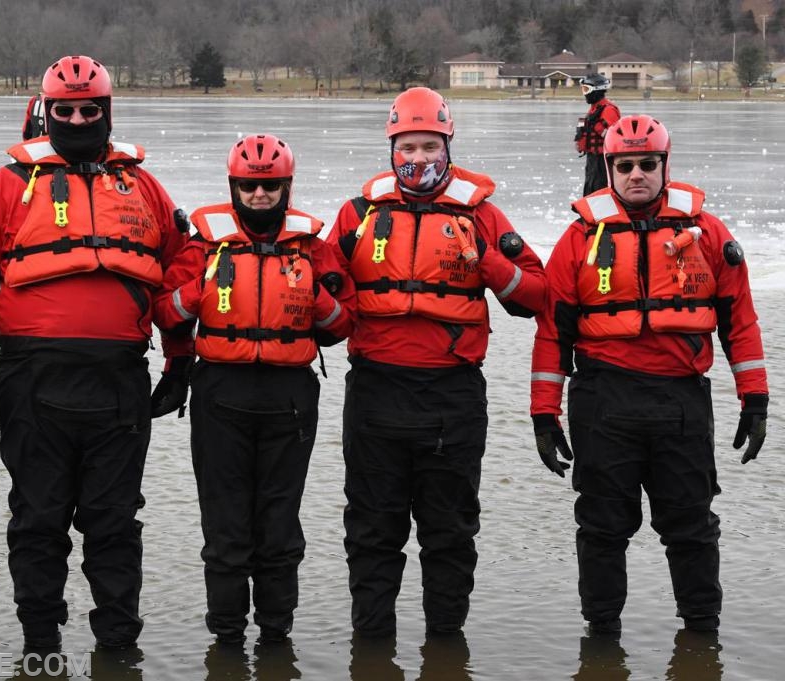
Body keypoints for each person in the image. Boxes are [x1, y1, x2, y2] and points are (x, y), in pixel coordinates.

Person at [0, 55, 192, 650]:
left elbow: (178, 272)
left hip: (118, 384)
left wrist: (179, 364)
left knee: (114, 522)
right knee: (38, 519)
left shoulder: (145, 186)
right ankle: (40, 645)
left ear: (107, 112)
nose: (78, 119)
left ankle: (117, 644)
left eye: (89, 110)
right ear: (46, 112)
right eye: (65, 110)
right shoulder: (10, 185)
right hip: (33, 382)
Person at [531, 114, 769, 635]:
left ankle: (702, 633)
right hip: (602, 402)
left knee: (692, 528)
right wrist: (544, 417)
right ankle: (601, 640)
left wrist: (755, 401)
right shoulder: (579, 239)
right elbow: (552, 334)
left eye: (647, 164)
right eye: (624, 165)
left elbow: (740, 321)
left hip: (679, 401)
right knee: (600, 529)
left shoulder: (707, 233)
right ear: (609, 169)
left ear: (665, 166)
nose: (636, 175)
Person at [326, 87, 547, 637]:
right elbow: (326, 291)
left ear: (449, 146)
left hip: (452, 399)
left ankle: (445, 643)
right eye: (408, 146)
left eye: (430, 146)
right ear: (391, 148)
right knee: (372, 532)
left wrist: (488, 260)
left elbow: (536, 297)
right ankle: (371, 650)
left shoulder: (483, 215)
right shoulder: (357, 216)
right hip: (376, 394)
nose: (418, 158)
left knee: (449, 534)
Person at [154, 134, 355, 644]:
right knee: (225, 526)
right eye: (250, 186)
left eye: (270, 186)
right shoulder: (203, 243)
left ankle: (275, 633)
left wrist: (316, 300)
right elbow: (163, 311)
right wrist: (199, 293)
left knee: (279, 523)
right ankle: (225, 637)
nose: (260, 195)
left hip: (289, 397)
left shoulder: (313, 245)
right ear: (234, 186)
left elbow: (342, 324)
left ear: (286, 187)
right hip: (221, 394)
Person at [575, 73, 621, 196]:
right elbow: (584, 128)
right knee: (590, 190)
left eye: (587, 90)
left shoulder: (608, 110)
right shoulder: (593, 109)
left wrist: (598, 127)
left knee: (601, 191)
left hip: (603, 161)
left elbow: (614, 138)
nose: (585, 94)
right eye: (583, 89)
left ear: (596, 90)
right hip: (592, 159)